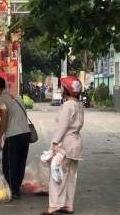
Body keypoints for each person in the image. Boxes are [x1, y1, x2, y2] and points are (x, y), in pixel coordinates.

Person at [41, 76, 84, 215]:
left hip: (65, 143)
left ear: (67, 90)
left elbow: (62, 126)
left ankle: (54, 206)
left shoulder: (67, 106)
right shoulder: (79, 105)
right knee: (71, 175)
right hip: (76, 143)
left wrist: (54, 143)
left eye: (63, 87)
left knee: (57, 174)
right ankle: (68, 205)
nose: (61, 89)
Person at [0, 77, 31, 200]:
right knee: (20, 162)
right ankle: (16, 188)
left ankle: (12, 190)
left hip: (14, 135)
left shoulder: (2, 99)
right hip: (25, 133)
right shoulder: (16, 96)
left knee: (10, 163)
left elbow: (4, 118)